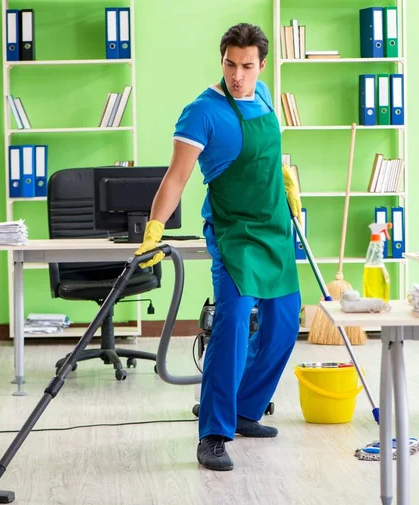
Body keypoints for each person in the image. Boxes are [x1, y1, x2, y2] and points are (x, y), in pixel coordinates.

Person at [134, 22, 302, 471]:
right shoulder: (202, 112)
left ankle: (247, 410)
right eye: (230, 64)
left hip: (274, 228)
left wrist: (287, 182)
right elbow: (177, 177)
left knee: (284, 325)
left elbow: (267, 156)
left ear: (261, 64)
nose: (238, 75)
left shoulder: (264, 95)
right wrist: (154, 228)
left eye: (248, 66)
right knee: (230, 326)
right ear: (222, 60)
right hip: (234, 233)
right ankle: (212, 432)